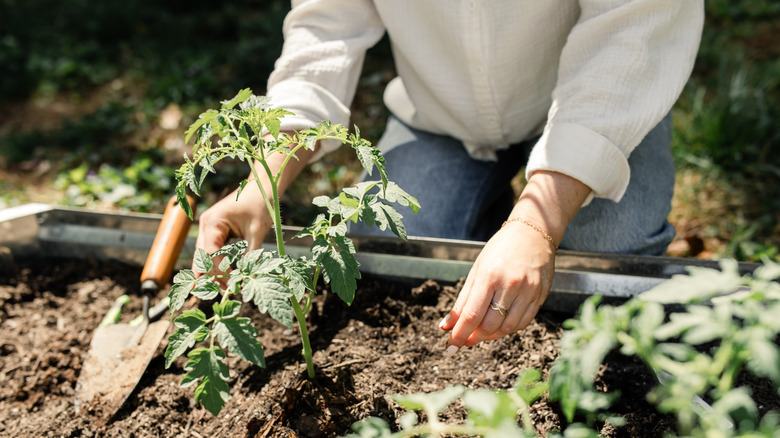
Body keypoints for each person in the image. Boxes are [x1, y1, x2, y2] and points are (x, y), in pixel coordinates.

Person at [194, 1, 704, 357]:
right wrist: (264, 179)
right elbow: (324, 30)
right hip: (439, 116)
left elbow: (631, 33)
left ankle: (519, 225)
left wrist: (536, 224)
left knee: (606, 262)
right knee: (389, 258)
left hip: (597, 102)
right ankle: (491, 233)